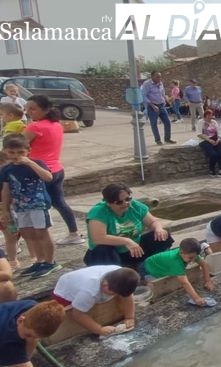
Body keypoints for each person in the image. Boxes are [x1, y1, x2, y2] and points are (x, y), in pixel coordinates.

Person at [23, 95, 82, 245]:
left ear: (45, 109)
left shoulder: (35, 127)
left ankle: (39, 239)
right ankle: (74, 233)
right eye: (27, 108)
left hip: (39, 171)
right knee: (59, 202)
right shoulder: (56, 124)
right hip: (57, 169)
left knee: (34, 206)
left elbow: (18, 146)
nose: (28, 112)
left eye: (33, 109)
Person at [0, 134, 60, 279]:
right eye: (11, 152)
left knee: (42, 233)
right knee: (28, 234)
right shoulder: (7, 169)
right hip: (20, 206)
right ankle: (39, 260)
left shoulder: (37, 163)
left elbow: (48, 177)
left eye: (20, 152)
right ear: (5, 151)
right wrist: (5, 208)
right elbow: (6, 190)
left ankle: (50, 262)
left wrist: (30, 163)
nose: (16, 156)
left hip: (38, 204)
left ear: (28, 151)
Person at [84, 183, 174, 269]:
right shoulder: (99, 212)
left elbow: (152, 222)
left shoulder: (134, 205)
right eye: (119, 202)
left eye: (128, 199)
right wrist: (127, 241)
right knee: (103, 249)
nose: (125, 203)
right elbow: (98, 238)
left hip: (134, 250)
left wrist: (158, 229)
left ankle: (148, 264)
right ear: (108, 203)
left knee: (162, 236)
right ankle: (115, 272)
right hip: (109, 254)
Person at [0, 299, 64, 367]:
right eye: (28, 335)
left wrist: (25, 360)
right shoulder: (8, 340)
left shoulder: (31, 307)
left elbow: (31, 341)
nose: (31, 339)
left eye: (36, 337)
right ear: (20, 320)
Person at [52, 265, 139, 336]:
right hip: (65, 291)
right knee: (64, 312)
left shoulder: (122, 275)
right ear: (105, 285)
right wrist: (99, 329)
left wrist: (129, 317)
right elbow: (77, 314)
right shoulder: (89, 291)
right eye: (113, 293)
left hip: (83, 281)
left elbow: (128, 296)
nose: (115, 295)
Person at [143, 238, 214, 307]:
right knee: (154, 293)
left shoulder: (191, 254)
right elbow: (184, 283)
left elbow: (204, 264)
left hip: (158, 263)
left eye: (194, 257)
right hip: (148, 268)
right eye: (190, 258)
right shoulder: (176, 262)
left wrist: (208, 281)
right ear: (181, 252)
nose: (193, 260)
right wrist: (196, 298)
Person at [140, 72, 175, 146]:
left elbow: (162, 93)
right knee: (154, 124)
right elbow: (144, 96)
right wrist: (152, 105)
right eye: (157, 77)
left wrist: (166, 100)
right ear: (152, 76)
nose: (159, 78)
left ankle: (167, 138)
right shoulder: (147, 84)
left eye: (160, 77)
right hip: (152, 106)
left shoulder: (160, 83)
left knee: (167, 122)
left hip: (161, 105)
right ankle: (158, 140)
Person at [197, 109, 221, 177]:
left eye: (211, 115)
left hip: (215, 139)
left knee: (220, 154)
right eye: (208, 116)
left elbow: (219, 132)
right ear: (205, 116)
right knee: (213, 155)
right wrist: (209, 140)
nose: (210, 117)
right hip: (205, 140)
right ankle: (211, 170)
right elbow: (199, 134)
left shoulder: (214, 122)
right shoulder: (201, 122)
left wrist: (218, 139)